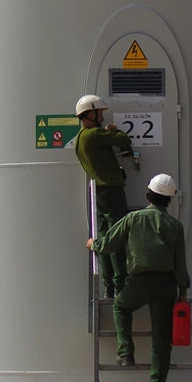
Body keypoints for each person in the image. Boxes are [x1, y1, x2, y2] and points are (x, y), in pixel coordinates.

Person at [88, 173, 189, 382]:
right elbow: (180, 263)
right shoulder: (175, 225)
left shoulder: (133, 218)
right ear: (169, 200)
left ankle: (125, 353)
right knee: (161, 339)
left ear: (148, 195)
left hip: (139, 281)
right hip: (166, 284)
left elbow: (109, 243)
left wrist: (94, 244)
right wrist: (182, 291)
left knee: (121, 307)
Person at [72, 93, 137, 296]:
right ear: (89, 114)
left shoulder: (79, 138)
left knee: (104, 238)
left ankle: (109, 286)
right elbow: (124, 141)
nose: (102, 117)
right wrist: (114, 131)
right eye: (99, 112)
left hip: (98, 193)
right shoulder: (94, 134)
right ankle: (121, 285)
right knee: (116, 238)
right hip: (111, 192)